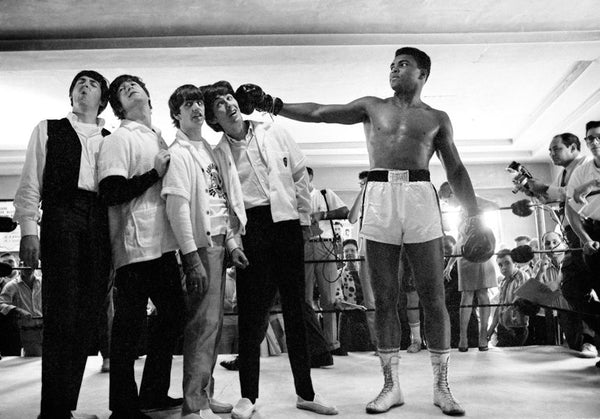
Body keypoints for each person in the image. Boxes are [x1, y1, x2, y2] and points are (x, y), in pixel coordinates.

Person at [240, 47, 485, 415]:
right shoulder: (373, 106)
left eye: (403, 65)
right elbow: (322, 113)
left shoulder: (437, 118)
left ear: (422, 74)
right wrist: (273, 104)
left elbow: (456, 170)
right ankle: (391, 386)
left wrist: (474, 215)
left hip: (421, 194)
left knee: (434, 296)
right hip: (379, 195)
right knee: (383, 299)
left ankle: (441, 386)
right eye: (391, 65)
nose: (394, 70)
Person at [202, 81, 337, 418]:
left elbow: (299, 174)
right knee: (251, 315)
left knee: (296, 310)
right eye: (219, 103)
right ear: (213, 117)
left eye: (230, 97)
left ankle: (306, 393)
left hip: (287, 222)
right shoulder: (216, 153)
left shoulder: (273, 129)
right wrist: (232, 242)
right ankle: (248, 396)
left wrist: (305, 219)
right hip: (252, 230)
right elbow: (220, 203)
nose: (229, 104)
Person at [14, 70, 112, 419]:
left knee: (89, 315)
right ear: (71, 96)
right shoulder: (47, 129)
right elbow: (29, 183)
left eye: (93, 84)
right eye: (79, 84)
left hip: (100, 224)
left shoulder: (112, 138)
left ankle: (63, 407)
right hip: (60, 216)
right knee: (60, 314)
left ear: (103, 98)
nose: (85, 87)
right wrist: (28, 230)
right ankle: (52, 411)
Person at [98, 74, 184, 419]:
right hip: (133, 246)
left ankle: (153, 393)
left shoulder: (160, 137)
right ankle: (123, 405)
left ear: (148, 94)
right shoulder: (119, 139)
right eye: (122, 88)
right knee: (128, 328)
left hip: (164, 245)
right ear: (118, 105)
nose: (130, 88)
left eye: (134, 84)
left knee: (174, 315)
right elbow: (111, 192)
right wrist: (154, 172)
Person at [161, 84, 249, 419]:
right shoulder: (179, 153)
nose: (196, 108)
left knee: (212, 325)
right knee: (202, 326)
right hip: (198, 248)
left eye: (199, 102)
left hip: (217, 246)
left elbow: (221, 204)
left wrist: (230, 243)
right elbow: (177, 209)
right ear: (176, 114)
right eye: (187, 104)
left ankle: (204, 393)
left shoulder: (211, 150)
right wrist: (190, 257)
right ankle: (192, 405)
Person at [440, 182, 498, 352]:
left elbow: (494, 206)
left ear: (452, 194)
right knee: (467, 295)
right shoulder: (459, 212)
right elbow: (459, 238)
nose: (446, 204)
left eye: (445, 200)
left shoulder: (472, 202)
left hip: (482, 251)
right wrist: (450, 263)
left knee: (483, 294)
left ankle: (482, 338)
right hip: (465, 254)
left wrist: (477, 202)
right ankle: (463, 338)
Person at [304, 166, 349, 355]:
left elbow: (345, 211)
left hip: (325, 244)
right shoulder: (292, 199)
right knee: (304, 298)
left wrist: (322, 215)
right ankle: (310, 343)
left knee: (329, 297)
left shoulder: (324, 194)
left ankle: (332, 343)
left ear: (311, 176)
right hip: (303, 245)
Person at [334, 239, 374, 352]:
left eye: (352, 250)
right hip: (348, 316)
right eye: (346, 251)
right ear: (343, 254)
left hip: (366, 315)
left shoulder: (366, 273)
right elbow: (338, 299)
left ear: (357, 252)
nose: (349, 253)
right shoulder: (339, 274)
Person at [0, 259, 43, 356]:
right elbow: (1, 304)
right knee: (35, 361)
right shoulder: (11, 286)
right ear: (20, 266)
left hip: (46, 330)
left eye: (31, 265)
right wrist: (17, 310)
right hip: (28, 331)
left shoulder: (42, 283)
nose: (28, 268)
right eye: (25, 264)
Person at [487, 249, 529, 347]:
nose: (504, 268)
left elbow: (519, 301)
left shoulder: (521, 276)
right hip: (503, 328)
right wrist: (491, 329)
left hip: (516, 329)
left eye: (507, 263)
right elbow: (500, 307)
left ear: (514, 262)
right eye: (500, 265)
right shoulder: (503, 282)